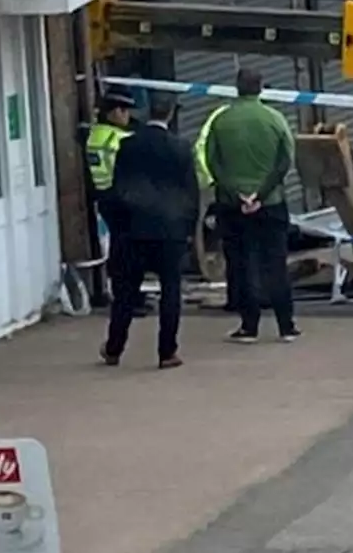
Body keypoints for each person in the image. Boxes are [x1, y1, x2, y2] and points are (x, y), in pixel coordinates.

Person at [100, 93, 198, 369]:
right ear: (170, 115)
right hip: (170, 231)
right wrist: (189, 229)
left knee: (126, 293)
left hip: (134, 230)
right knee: (171, 290)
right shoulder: (180, 148)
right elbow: (191, 193)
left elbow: (118, 189)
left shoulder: (128, 145)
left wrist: (119, 227)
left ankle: (114, 348)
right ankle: (167, 352)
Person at [206, 67, 301, 344]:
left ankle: (249, 326)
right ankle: (286, 325)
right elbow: (285, 159)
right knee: (276, 263)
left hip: (231, 205)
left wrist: (238, 194)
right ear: (260, 87)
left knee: (242, 264)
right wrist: (261, 194)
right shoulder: (275, 119)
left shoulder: (221, 121)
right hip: (270, 203)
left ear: (236, 87)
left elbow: (212, 162)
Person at [85, 91, 148, 313]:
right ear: (113, 112)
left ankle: (128, 296)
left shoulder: (96, 134)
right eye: (124, 111)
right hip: (123, 200)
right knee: (128, 253)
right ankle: (129, 299)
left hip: (106, 197)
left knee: (120, 250)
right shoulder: (119, 139)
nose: (127, 116)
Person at [194, 102, 239, 312]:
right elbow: (205, 150)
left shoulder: (224, 115)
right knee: (215, 228)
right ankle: (211, 271)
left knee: (219, 228)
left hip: (217, 180)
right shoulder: (226, 118)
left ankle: (218, 272)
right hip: (213, 183)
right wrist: (214, 179)